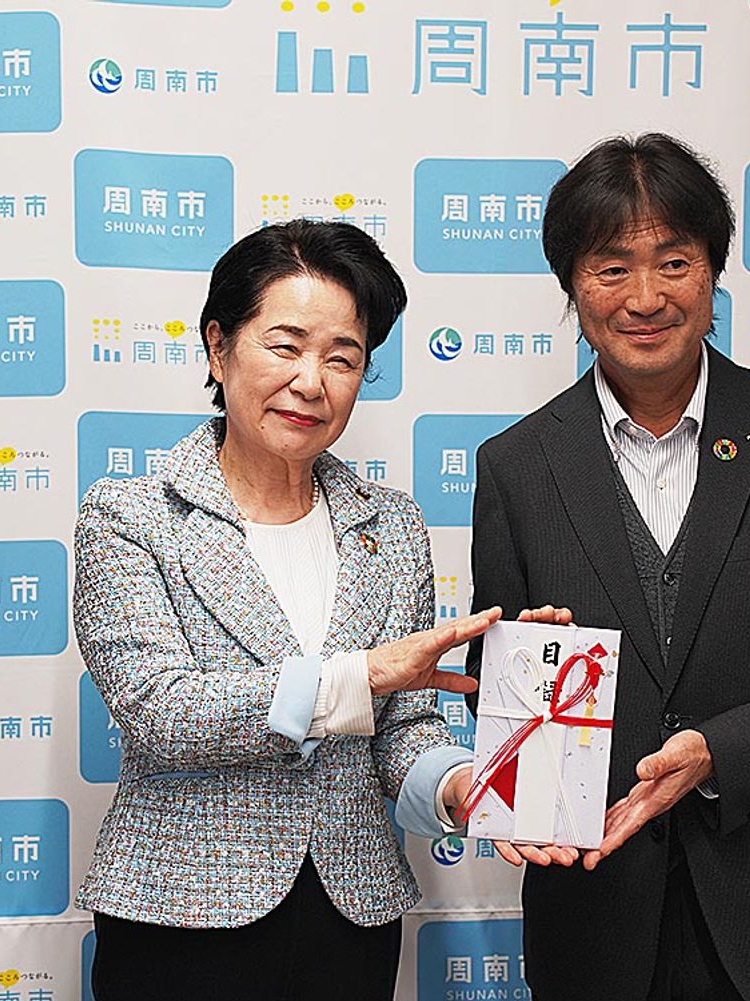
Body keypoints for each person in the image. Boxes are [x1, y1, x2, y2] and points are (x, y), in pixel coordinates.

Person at [467, 134, 750, 1001]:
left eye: (673, 262)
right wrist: (524, 696)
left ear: (714, 271)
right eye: (611, 268)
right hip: (595, 912)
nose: (645, 297)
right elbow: (497, 686)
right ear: (571, 285)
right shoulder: (516, 466)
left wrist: (721, 750)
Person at [74, 219, 496, 1001]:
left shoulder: (392, 524)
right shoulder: (131, 515)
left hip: (350, 917)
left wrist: (458, 784)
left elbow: (403, 726)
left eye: (343, 357)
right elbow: (161, 711)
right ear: (218, 347)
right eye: (286, 346)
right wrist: (356, 677)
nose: (312, 381)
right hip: (181, 916)